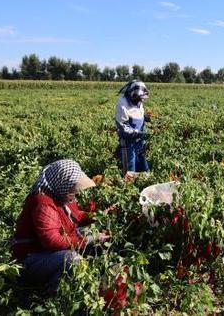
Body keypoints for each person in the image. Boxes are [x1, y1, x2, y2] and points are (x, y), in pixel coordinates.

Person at [11, 160, 111, 293]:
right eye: (72, 188)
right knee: (71, 259)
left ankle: (98, 281)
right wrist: (89, 240)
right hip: (31, 258)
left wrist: (98, 216)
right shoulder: (43, 204)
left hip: (47, 251)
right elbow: (52, 241)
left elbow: (77, 216)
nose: (74, 193)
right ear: (62, 184)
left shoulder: (59, 195)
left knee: (96, 233)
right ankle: (54, 292)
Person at [116, 80, 150, 174]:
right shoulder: (122, 104)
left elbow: (138, 112)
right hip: (128, 142)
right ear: (133, 95)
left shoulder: (137, 101)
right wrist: (138, 134)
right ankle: (128, 187)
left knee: (143, 166)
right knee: (130, 169)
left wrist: (145, 116)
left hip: (139, 141)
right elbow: (123, 127)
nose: (141, 100)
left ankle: (143, 183)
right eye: (140, 98)